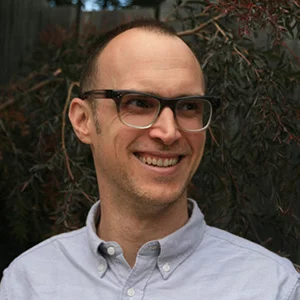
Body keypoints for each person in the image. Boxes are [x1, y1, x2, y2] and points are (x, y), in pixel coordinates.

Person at [0, 19, 299, 299]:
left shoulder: (271, 288)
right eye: (139, 103)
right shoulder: (28, 284)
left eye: (188, 107)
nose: (169, 132)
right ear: (83, 120)